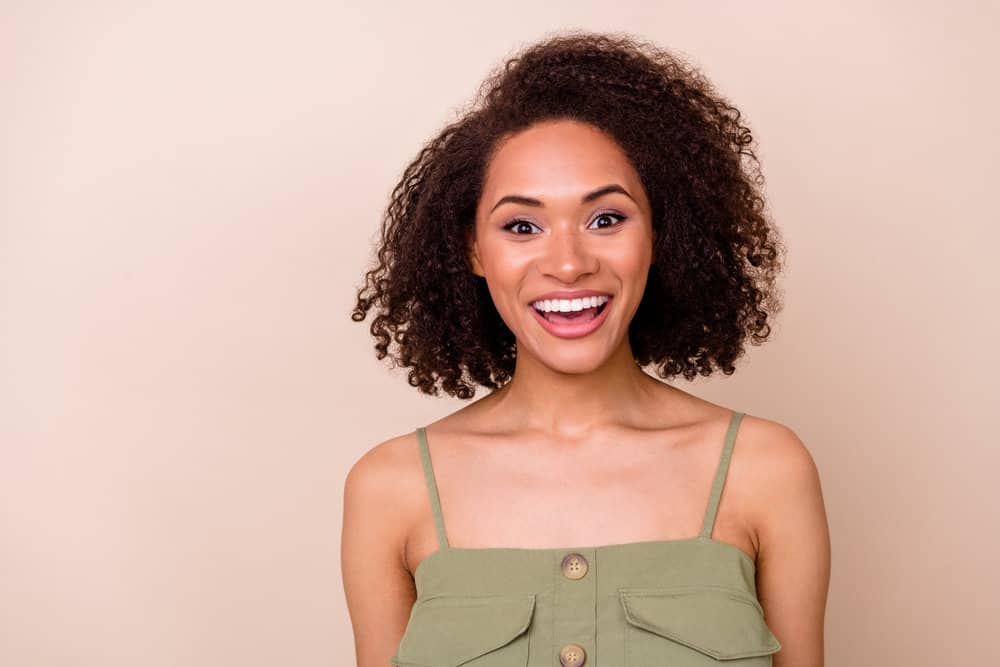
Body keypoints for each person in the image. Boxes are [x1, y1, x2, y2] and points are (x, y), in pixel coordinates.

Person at [343, 31, 830, 667]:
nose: (569, 264)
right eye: (522, 226)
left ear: (659, 235)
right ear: (472, 250)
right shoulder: (391, 488)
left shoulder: (765, 469)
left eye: (606, 219)